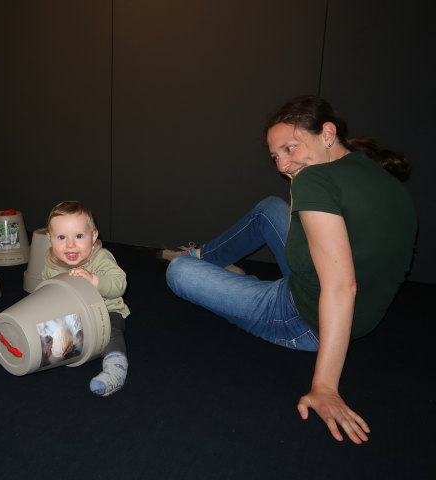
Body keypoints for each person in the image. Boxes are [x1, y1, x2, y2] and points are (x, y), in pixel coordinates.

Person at [162, 95, 417, 444]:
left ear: (327, 133)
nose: (282, 165)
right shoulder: (378, 174)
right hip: (351, 309)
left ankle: (199, 265)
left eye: (291, 148)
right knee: (270, 208)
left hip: (306, 320)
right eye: (275, 156)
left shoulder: (314, 181)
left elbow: (343, 287)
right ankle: (205, 257)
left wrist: (324, 387)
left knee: (178, 272)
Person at [0, 200, 130, 396]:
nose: (70, 244)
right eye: (61, 237)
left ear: (93, 236)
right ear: (50, 238)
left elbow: (120, 285)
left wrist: (95, 280)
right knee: (44, 331)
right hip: (73, 314)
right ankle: (8, 347)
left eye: (79, 236)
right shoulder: (51, 261)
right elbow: (48, 294)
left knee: (112, 333)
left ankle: (115, 368)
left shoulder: (101, 258)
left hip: (105, 311)